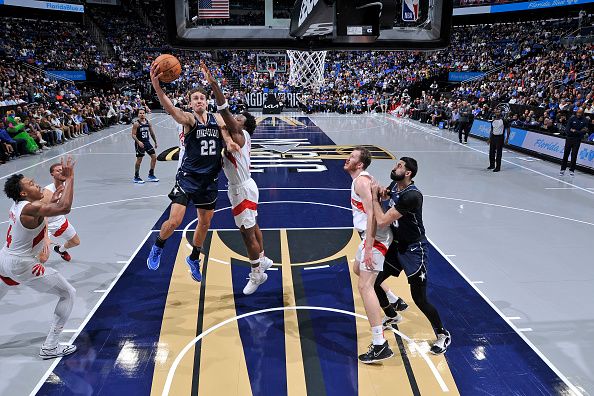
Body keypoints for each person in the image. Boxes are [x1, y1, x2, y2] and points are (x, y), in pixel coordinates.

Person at [146, 61, 239, 281]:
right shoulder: (189, 120)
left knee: (205, 223)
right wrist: (157, 86)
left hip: (209, 180)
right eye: (195, 98)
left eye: (202, 98)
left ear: (206, 102)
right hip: (188, 178)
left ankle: (194, 258)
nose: (199, 101)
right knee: (175, 221)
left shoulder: (217, 119)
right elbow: (170, 110)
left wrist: (229, 143)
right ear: (190, 103)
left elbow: (225, 134)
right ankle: (158, 246)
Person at [201, 61, 273, 295]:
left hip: (241, 189)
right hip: (242, 187)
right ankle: (262, 259)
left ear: (243, 125)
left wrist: (214, 85)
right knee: (253, 226)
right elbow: (222, 121)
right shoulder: (235, 136)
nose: (236, 118)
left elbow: (222, 110)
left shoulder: (240, 135)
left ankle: (257, 274)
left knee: (246, 233)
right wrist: (222, 128)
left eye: (239, 118)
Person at [370, 157, 451, 355]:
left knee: (419, 299)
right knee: (374, 282)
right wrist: (381, 192)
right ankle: (392, 315)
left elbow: (381, 221)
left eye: (399, 166)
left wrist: (372, 197)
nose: (394, 167)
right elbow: (388, 194)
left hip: (415, 250)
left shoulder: (412, 196)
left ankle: (443, 334)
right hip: (398, 247)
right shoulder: (395, 186)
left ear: (408, 173)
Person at [0, 157, 78, 359]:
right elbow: (65, 208)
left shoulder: (20, 205)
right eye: (32, 184)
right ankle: (50, 347)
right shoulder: (29, 209)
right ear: (23, 193)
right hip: (22, 264)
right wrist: (70, 179)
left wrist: (55, 196)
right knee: (68, 293)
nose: (37, 184)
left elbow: (46, 207)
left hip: (4, 259)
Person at [344, 146, 394, 364]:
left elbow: (373, 214)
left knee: (365, 286)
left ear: (360, 164)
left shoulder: (361, 182)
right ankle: (393, 299)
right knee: (357, 270)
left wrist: (368, 247)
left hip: (376, 237)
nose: (348, 158)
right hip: (370, 236)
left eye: (352, 157)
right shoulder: (365, 179)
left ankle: (379, 344)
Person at [42, 163, 81, 261]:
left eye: (62, 170)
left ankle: (60, 250)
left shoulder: (66, 186)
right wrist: (46, 236)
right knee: (43, 257)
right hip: (46, 225)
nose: (61, 172)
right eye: (58, 170)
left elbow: (67, 207)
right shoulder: (47, 192)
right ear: (52, 174)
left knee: (75, 242)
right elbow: (43, 216)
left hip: (59, 220)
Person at [131, 109, 159, 183]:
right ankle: (136, 177)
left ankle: (151, 174)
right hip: (140, 144)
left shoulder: (148, 122)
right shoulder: (136, 124)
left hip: (147, 143)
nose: (142, 114)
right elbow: (133, 135)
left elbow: (152, 133)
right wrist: (138, 141)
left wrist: (155, 142)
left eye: (143, 113)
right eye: (140, 113)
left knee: (154, 157)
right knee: (139, 160)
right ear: (138, 115)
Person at [560, 107, 589, 176]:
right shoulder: (572, 118)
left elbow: (584, 131)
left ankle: (572, 170)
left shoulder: (585, 120)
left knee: (574, 155)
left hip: (577, 140)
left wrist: (575, 131)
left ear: (582, 113)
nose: (579, 114)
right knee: (566, 154)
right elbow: (567, 129)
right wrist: (577, 132)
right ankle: (562, 169)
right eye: (578, 112)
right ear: (576, 112)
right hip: (569, 138)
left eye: (580, 113)